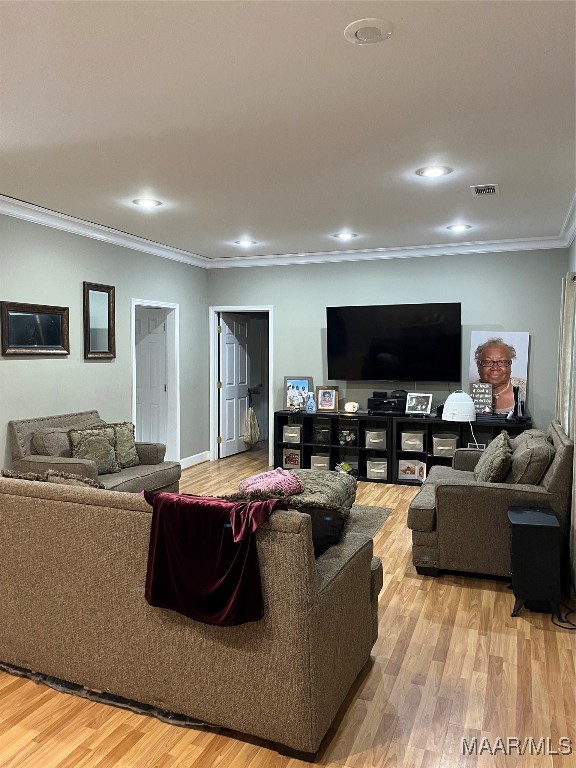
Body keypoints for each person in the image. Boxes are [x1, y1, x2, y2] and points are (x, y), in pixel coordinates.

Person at [473, 337, 526, 414]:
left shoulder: (525, 390)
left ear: (510, 364)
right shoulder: (468, 394)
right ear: (478, 365)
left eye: (502, 362)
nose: (495, 368)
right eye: (488, 362)